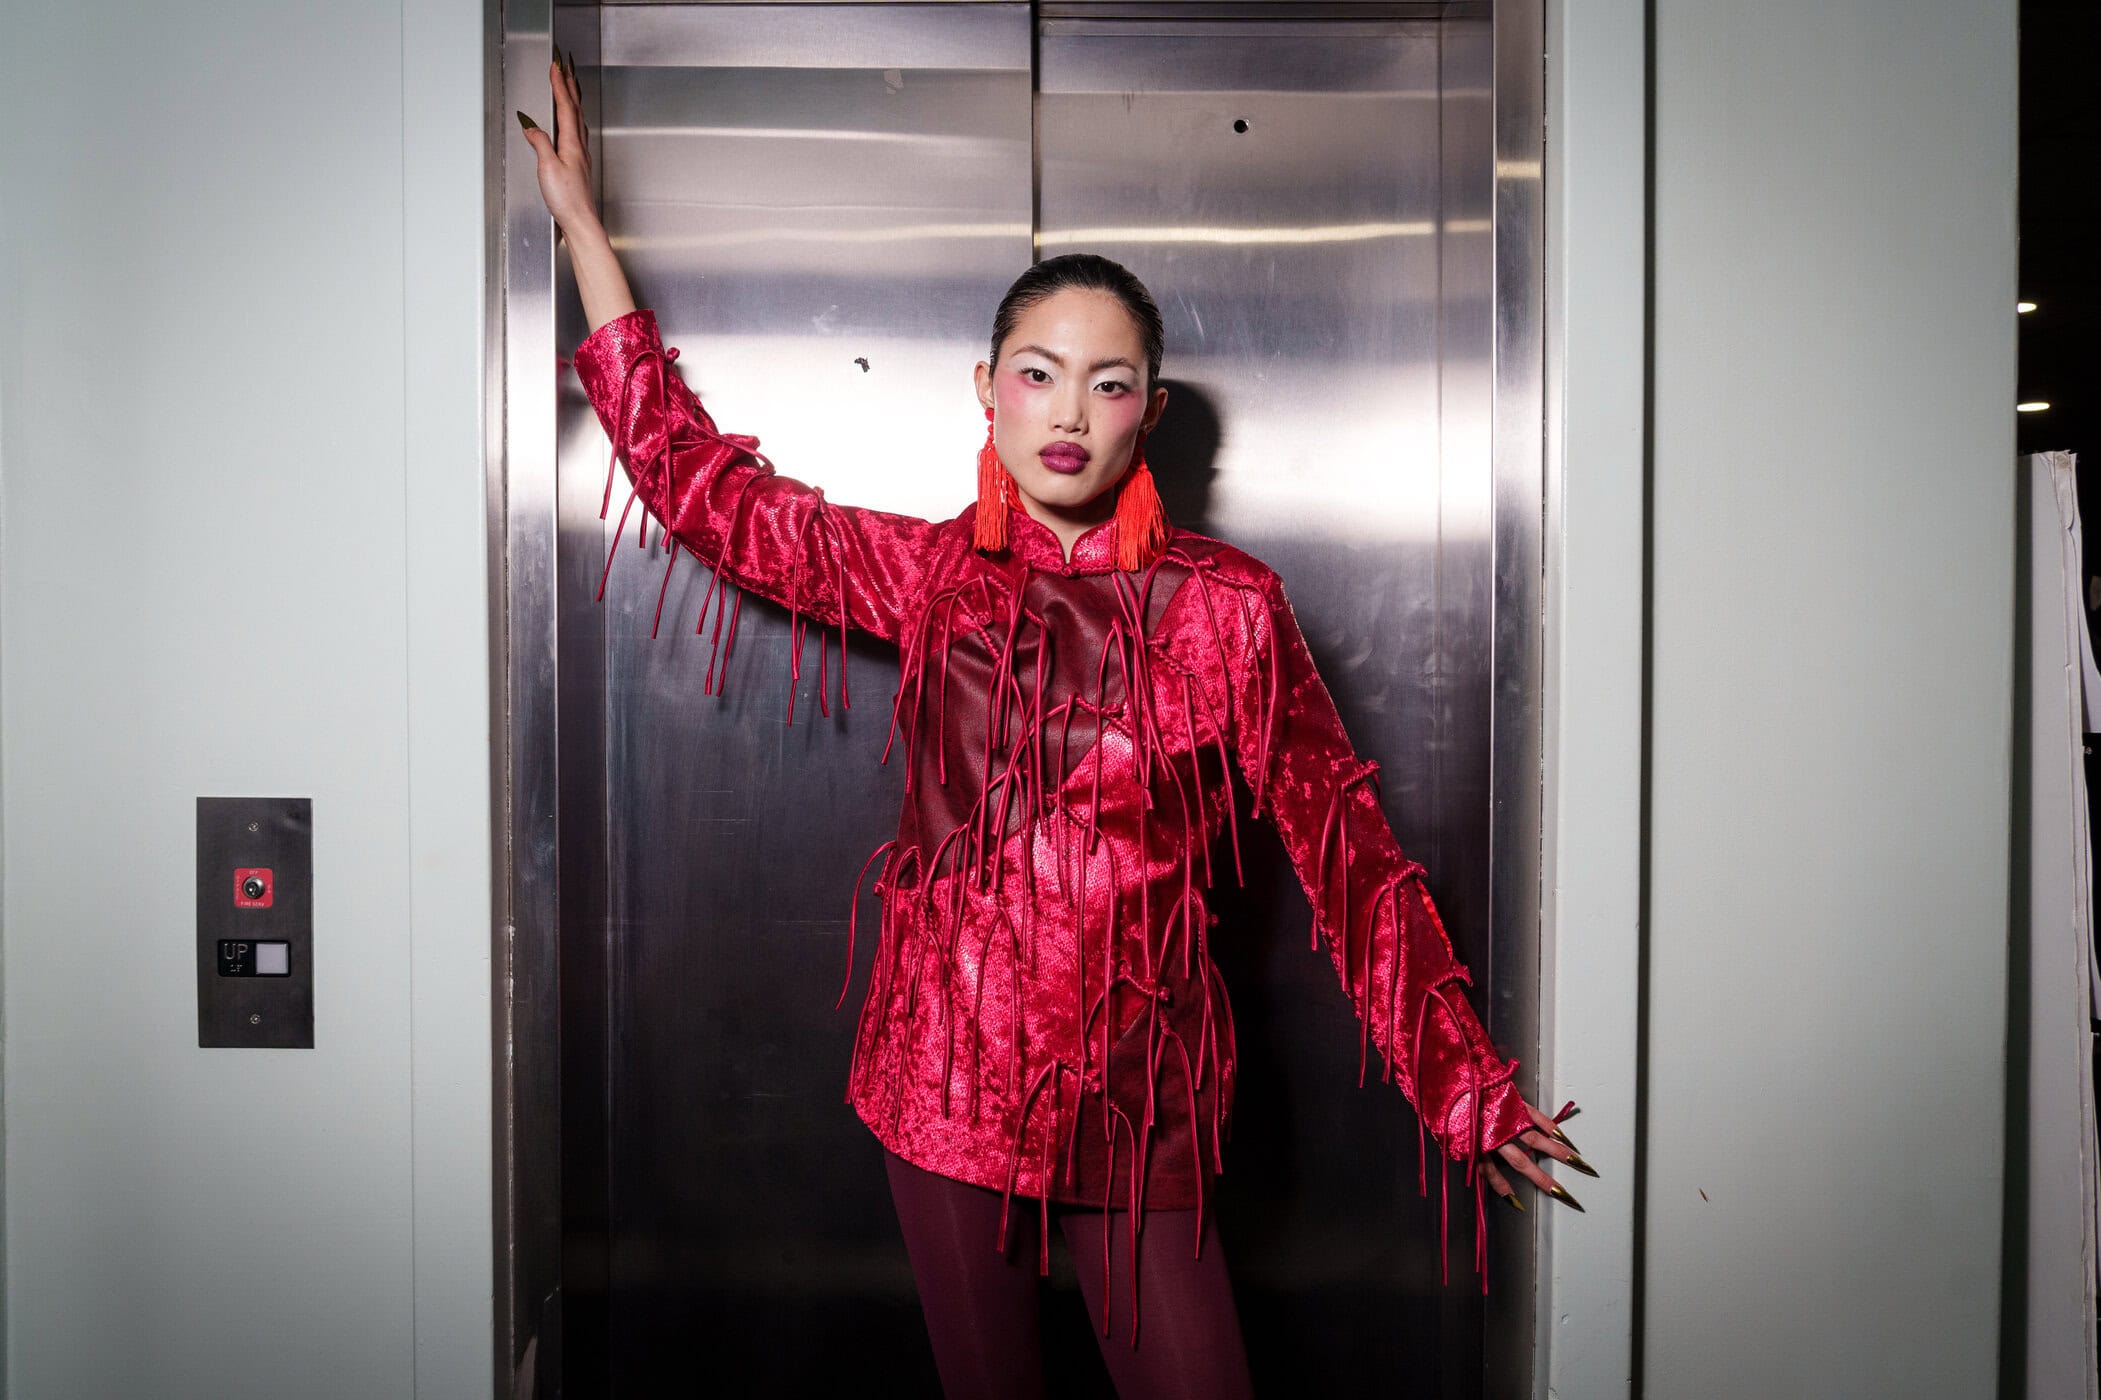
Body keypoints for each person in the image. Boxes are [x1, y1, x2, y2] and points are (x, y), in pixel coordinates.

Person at [519, 50, 1596, 1400]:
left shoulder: (1229, 608)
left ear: (1151, 408)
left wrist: (1460, 1081)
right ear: (988, 387)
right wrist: (584, 231)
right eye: (1039, 374)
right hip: (943, 1075)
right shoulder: (933, 576)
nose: (1071, 413)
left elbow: (1352, 856)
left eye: (1109, 382)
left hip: (1142, 1099)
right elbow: (708, 493)